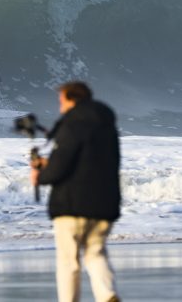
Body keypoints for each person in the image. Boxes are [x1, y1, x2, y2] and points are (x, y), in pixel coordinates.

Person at [31, 81, 121, 302]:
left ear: (72, 99)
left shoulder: (72, 124)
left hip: (72, 205)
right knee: (95, 253)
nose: (60, 104)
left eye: (61, 99)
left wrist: (41, 175)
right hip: (104, 204)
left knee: (68, 261)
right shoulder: (107, 125)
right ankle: (107, 295)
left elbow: (61, 166)